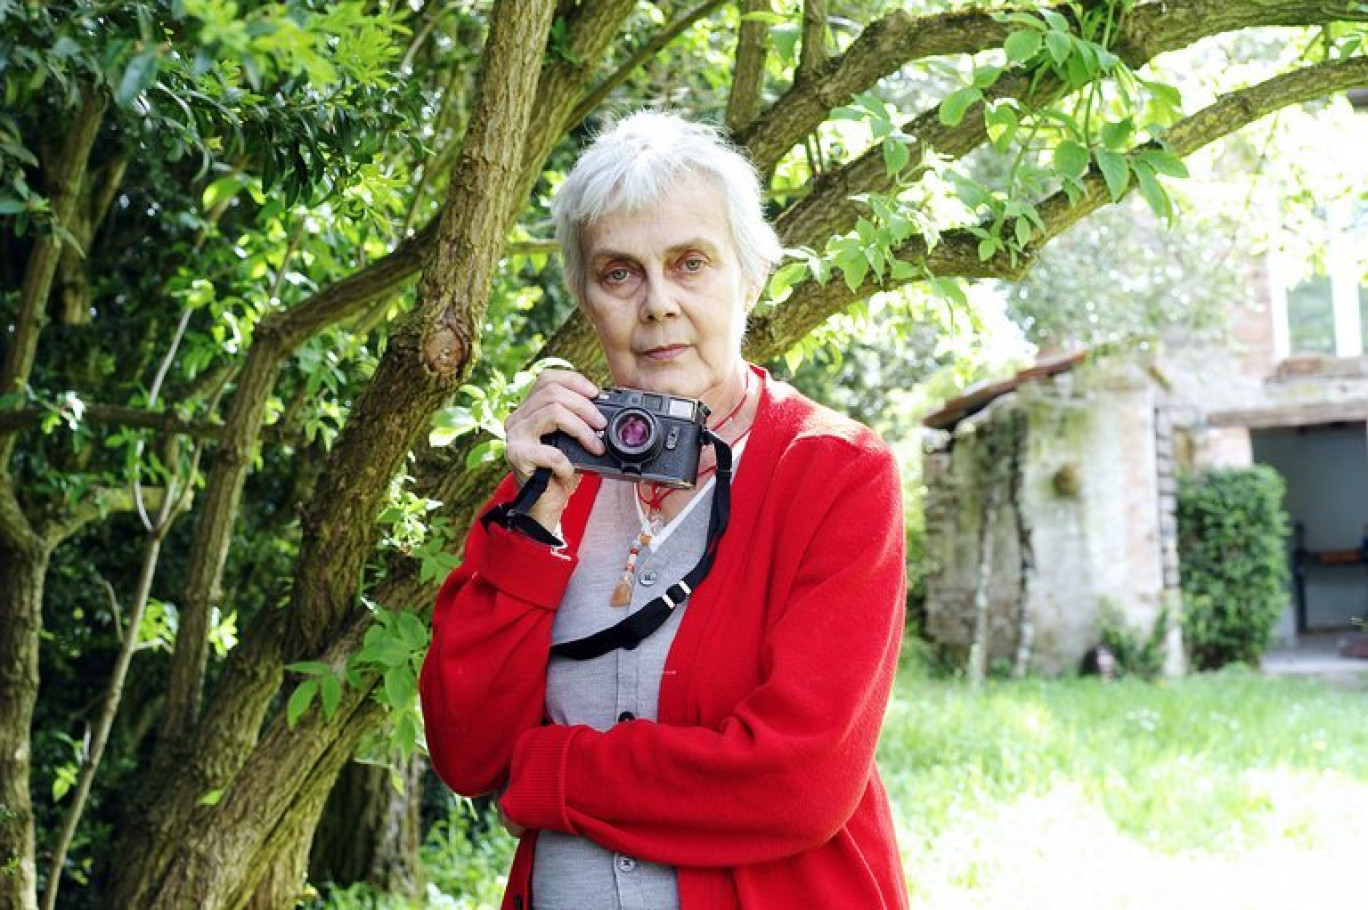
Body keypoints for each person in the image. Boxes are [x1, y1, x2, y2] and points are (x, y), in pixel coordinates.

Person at [420, 111, 909, 910]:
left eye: (691, 264)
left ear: (748, 277)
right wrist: (530, 523)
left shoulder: (834, 473)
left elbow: (796, 781)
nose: (656, 304)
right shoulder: (552, 474)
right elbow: (469, 755)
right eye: (619, 273)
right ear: (586, 300)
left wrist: (548, 773)